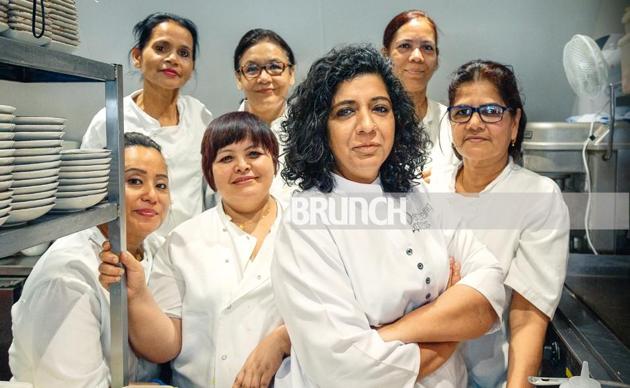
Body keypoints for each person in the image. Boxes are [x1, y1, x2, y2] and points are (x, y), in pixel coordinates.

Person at [271, 44, 505, 388]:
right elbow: (347, 371)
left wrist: (390, 335)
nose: (367, 125)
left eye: (380, 108)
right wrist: (452, 330)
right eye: (346, 112)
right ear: (320, 127)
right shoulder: (307, 222)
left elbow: (489, 292)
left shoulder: (420, 197)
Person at [98, 112, 289, 388]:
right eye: (226, 158)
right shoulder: (182, 242)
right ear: (209, 173)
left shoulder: (307, 231)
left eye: (254, 153)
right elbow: (165, 347)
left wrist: (282, 339)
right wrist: (137, 295)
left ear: (274, 161)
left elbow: (338, 319)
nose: (242, 166)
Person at [430, 60, 570, 388]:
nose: (474, 122)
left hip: (487, 377)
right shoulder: (427, 188)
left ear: (514, 122)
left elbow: (527, 313)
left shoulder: (537, 196)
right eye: (462, 112)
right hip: (420, 372)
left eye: (491, 111)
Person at [10, 132, 171, 388]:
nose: (152, 195)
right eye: (135, 181)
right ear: (102, 189)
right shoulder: (67, 275)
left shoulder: (159, 251)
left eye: (161, 185)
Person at [82, 12, 213, 238]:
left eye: (184, 53)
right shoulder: (111, 120)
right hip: (129, 248)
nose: (173, 58)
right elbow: (87, 195)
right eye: (161, 48)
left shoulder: (200, 116)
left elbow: (211, 189)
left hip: (191, 249)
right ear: (137, 56)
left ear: (191, 66)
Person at [382, 9, 458, 178]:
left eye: (427, 47)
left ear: (437, 59)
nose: (417, 57)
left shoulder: (454, 122)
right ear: (385, 55)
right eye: (405, 46)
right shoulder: (367, 123)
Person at [234, 28, 296, 204]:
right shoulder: (219, 137)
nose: (264, 77)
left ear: (291, 74)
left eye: (275, 67)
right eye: (252, 69)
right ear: (238, 78)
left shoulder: (313, 132)